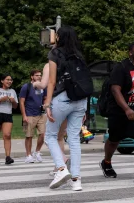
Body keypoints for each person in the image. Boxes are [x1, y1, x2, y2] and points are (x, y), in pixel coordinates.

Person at [101, 42, 134, 184]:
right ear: (130, 52)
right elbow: (115, 90)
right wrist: (126, 109)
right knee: (114, 139)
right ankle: (106, 162)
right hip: (120, 109)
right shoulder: (122, 67)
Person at [44, 25, 88, 191]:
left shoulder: (55, 53)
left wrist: (47, 104)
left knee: (50, 136)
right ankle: (76, 179)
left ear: (60, 37)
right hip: (80, 99)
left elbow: (52, 81)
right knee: (74, 138)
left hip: (62, 98)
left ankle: (61, 169)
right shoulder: (79, 55)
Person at [19, 68, 47, 163]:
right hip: (29, 114)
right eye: (37, 75)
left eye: (40, 75)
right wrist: (24, 115)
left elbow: (46, 98)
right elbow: (22, 102)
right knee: (29, 135)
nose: (39, 77)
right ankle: (28, 155)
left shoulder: (43, 87)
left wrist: (45, 105)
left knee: (43, 134)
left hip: (41, 114)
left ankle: (37, 152)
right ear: (32, 77)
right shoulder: (27, 87)